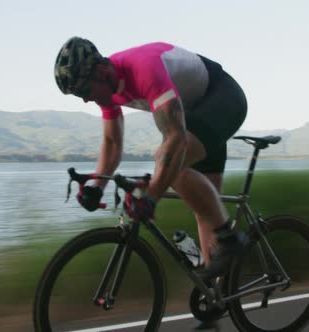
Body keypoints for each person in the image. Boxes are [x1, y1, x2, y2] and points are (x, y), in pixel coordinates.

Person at [54, 37, 248, 279]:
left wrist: (152, 197)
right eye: (77, 95)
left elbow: (175, 138)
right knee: (205, 210)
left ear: (102, 70)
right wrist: (97, 186)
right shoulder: (106, 89)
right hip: (196, 114)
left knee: (172, 163)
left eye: (84, 90)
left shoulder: (143, 68)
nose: (84, 99)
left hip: (222, 98)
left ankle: (231, 240)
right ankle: (216, 297)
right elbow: (113, 143)